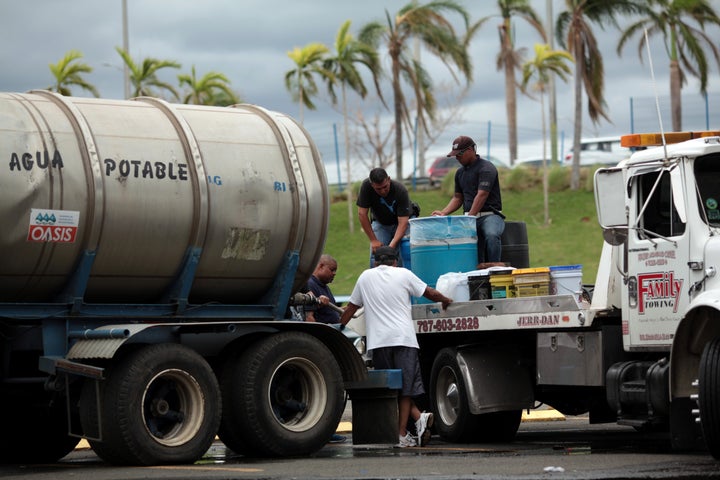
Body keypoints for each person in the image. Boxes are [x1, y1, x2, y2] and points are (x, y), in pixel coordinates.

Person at [338, 246, 453, 447]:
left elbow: (351, 308)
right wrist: (445, 300)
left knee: (392, 387)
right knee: (406, 389)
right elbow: (430, 293)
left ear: (375, 262)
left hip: (379, 342)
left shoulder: (365, 277)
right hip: (403, 339)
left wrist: (336, 328)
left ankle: (418, 419)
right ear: (395, 261)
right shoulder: (403, 274)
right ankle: (402, 432)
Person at [431, 135, 505, 264]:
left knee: (492, 235)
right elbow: (458, 198)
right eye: (455, 155)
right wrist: (444, 212)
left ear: (470, 150)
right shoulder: (460, 173)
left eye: (459, 154)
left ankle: (495, 268)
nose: (457, 158)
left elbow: (482, 195)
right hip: (469, 217)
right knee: (456, 241)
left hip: (490, 215)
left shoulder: (486, 168)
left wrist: (469, 218)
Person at [356, 167, 411, 266]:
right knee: (377, 254)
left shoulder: (400, 190)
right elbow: (362, 214)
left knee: (401, 254)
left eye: (385, 187)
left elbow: (403, 223)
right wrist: (373, 240)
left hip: (401, 223)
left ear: (389, 179)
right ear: (372, 185)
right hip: (381, 223)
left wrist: (390, 248)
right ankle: (376, 279)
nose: (383, 191)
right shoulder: (366, 187)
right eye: (378, 189)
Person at [305, 254, 341, 325]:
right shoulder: (310, 285)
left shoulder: (324, 286)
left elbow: (332, 311)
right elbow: (309, 318)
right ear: (321, 266)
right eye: (332, 270)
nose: (334, 273)